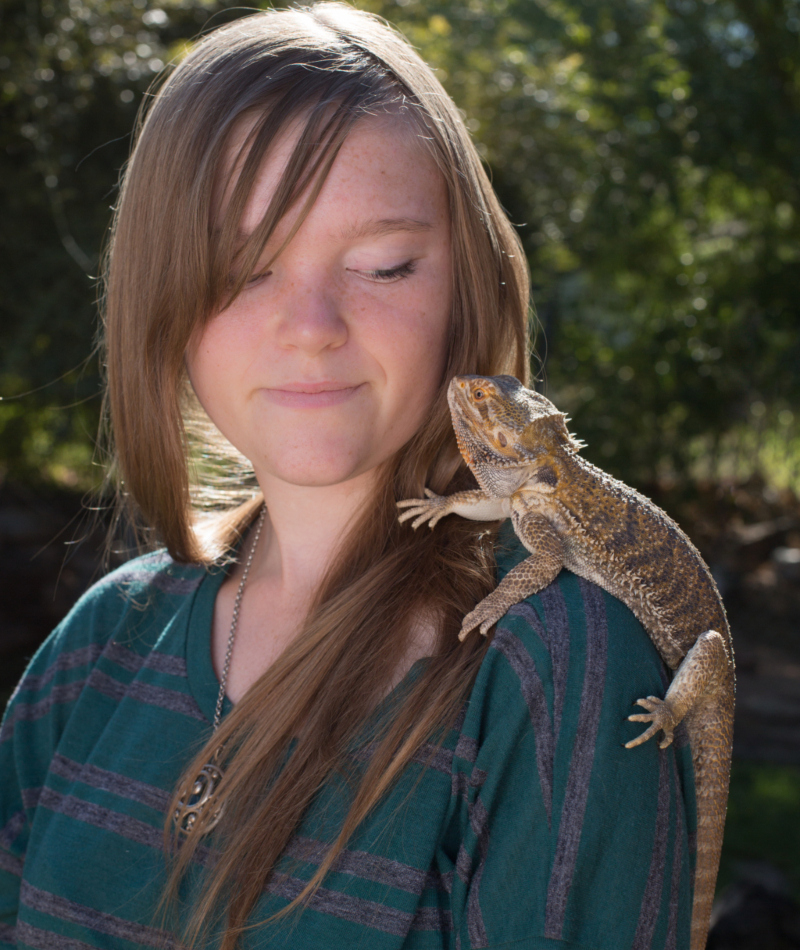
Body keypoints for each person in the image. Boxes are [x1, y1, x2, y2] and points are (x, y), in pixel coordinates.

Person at [0, 5, 696, 949]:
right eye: (244, 268)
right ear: (160, 297)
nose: (312, 322)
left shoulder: (554, 667)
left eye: (383, 264)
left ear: (469, 288)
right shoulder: (102, 640)